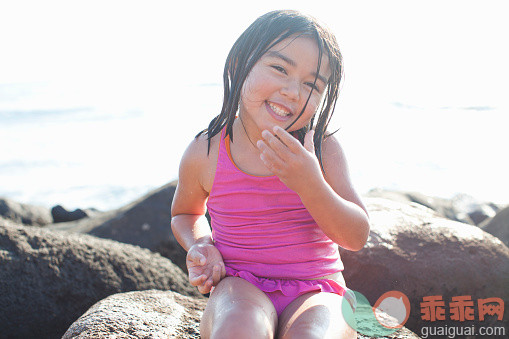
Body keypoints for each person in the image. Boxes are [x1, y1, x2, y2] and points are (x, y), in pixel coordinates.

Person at [171, 10, 370, 338]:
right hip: (239, 284)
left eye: (311, 85)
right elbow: (184, 213)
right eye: (279, 68)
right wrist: (201, 243)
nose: (293, 91)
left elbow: (356, 236)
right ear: (239, 65)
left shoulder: (321, 149)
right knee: (238, 329)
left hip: (319, 291)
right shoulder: (207, 150)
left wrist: (310, 183)